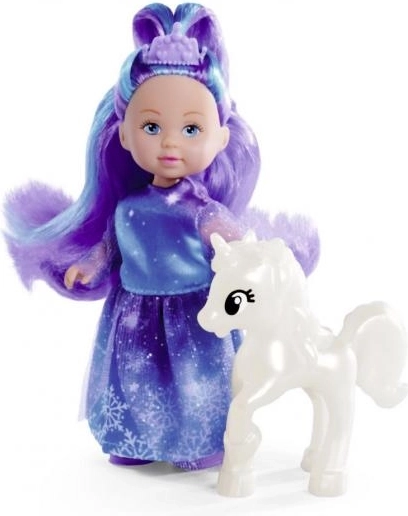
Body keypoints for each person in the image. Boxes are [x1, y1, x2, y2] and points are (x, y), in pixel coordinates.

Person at [4, 3, 319, 469]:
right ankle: (135, 440)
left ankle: (199, 443)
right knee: (135, 380)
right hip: (133, 315)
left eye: (191, 129)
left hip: (195, 316)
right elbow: (110, 248)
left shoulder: (202, 212)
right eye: (151, 127)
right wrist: (88, 266)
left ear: (220, 138)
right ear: (124, 134)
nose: (171, 142)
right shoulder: (127, 207)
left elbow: (240, 248)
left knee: (196, 385)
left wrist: (257, 260)